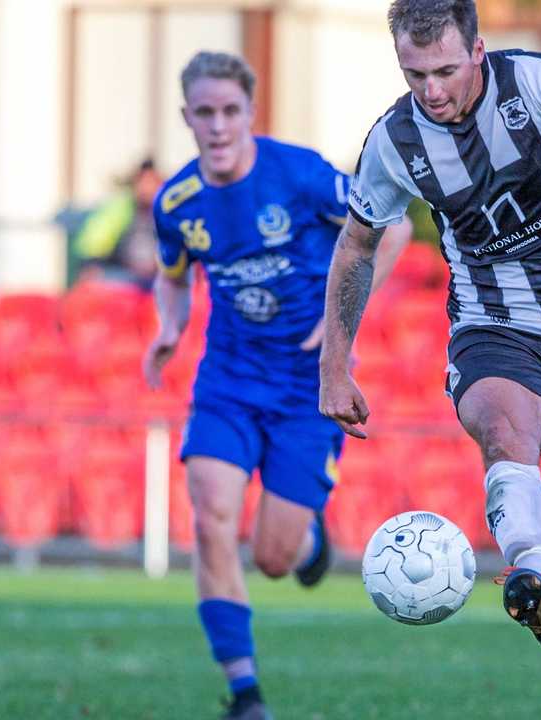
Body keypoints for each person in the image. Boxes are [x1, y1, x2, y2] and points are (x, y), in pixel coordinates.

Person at [318, 0, 541, 654]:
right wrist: (334, 366)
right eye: (414, 74)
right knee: (499, 421)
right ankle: (531, 571)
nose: (431, 90)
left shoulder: (533, 82)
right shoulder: (395, 142)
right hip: (494, 322)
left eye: (445, 70)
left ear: (478, 51)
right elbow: (356, 246)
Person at [144, 51, 410, 720]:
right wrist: (169, 327)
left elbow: (395, 225)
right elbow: (172, 276)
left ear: (250, 114)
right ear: (187, 118)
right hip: (229, 381)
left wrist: (342, 316)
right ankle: (244, 692)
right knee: (210, 518)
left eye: (230, 110)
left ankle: (310, 542)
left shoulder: (297, 173)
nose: (218, 125)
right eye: (204, 112)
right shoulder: (177, 202)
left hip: (307, 389)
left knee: (272, 557)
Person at [68, 159, 165, 292]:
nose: (147, 189)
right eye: (143, 182)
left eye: (152, 183)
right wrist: (91, 266)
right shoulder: (119, 209)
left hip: (159, 277)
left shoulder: (168, 211)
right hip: (123, 275)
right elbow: (94, 245)